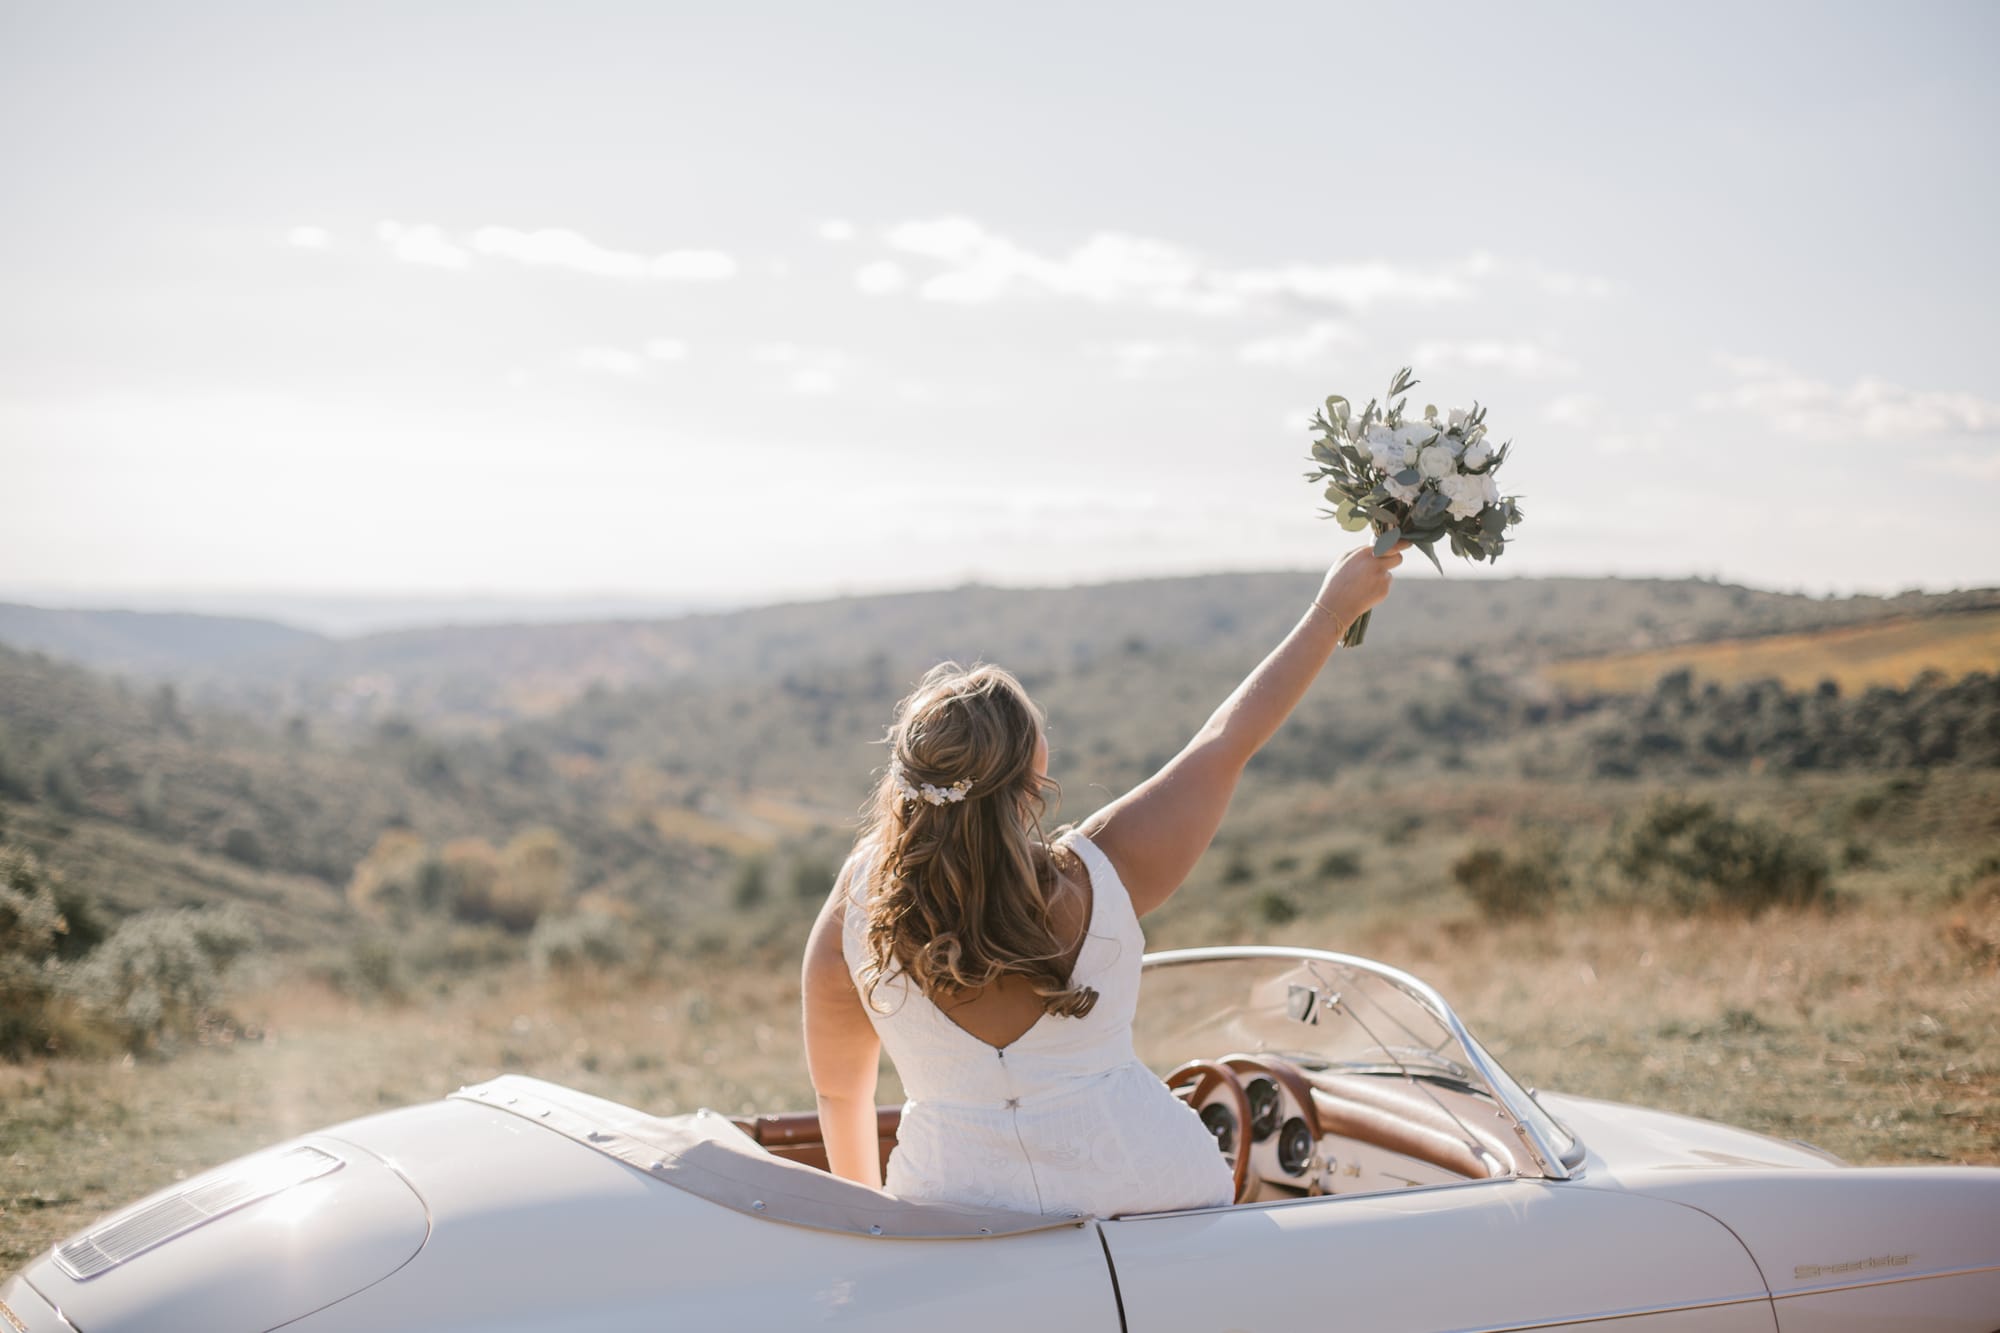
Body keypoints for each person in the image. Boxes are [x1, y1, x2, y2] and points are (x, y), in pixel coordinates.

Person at [799, 541, 1407, 1217]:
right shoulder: (1102, 875)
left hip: (956, 1229)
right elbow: (1226, 739)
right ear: (1032, 778)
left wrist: (873, 1235)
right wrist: (1331, 609)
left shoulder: (857, 912)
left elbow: (840, 1096)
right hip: (1160, 1214)